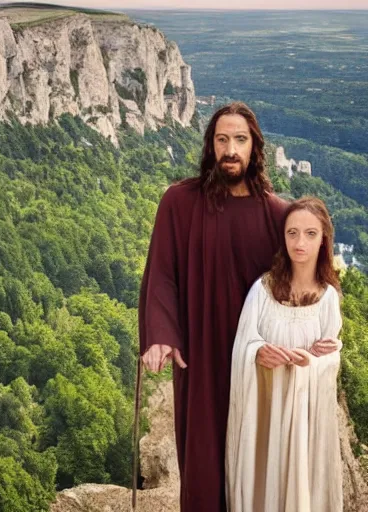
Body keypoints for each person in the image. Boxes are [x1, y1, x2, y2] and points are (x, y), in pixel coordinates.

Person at [136, 101, 290, 511]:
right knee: (204, 463)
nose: (230, 149)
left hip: (257, 361)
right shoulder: (179, 203)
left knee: (256, 460)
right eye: (222, 139)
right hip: (201, 357)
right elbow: (161, 273)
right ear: (210, 146)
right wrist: (161, 336)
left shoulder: (278, 216)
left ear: (255, 147)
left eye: (240, 139)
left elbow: (307, 280)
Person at [226, 197, 343, 512]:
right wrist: (258, 351)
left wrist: (316, 362)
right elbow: (243, 344)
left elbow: (330, 358)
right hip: (266, 411)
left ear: (323, 240)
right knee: (266, 480)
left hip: (304, 418)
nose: (300, 242)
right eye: (292, 233)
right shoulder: (262, 290)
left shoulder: (329, 298)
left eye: (310, 234)